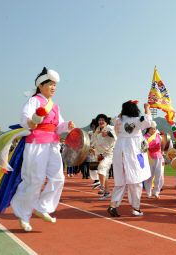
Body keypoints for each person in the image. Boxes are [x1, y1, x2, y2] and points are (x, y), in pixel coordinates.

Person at [10, 67, 75, 231]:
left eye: (55, 85)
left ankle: (42, 207)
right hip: (36, 143)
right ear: (40, 85)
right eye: (50, 84)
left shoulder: (55, 106)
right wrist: (31, 123)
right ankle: (24, 216)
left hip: (53, 144)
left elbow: (58, 126)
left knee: (58, 178)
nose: (53, 88)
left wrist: (67, 126)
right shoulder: (34, 101)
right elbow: (26, 119)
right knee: (34, 180)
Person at [107, 101, 152, 217]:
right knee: (135, 180)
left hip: (119, 150)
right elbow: (148, 121)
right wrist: (147, 108)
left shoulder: (118, 121)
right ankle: (136, 208)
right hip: (132, 151)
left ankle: (113, 205)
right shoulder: (136, 120)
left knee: (120, 181)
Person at [91, 114, 116, 200]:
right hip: (99, 154)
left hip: (109, 153)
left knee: (101, 168)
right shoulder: (97, 130)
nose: (101, 122)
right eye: (99, 120)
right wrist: (91, 147)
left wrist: (108, 133)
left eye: (103, 120)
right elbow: (93, 141)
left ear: (106, 122)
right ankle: (107, 193)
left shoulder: (110, 128)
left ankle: (101, 186)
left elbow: (117, 137)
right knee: (104, 174)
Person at [144, 121, 164, 199]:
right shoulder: (144, 137)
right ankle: (148, 192)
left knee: (159, 175)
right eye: (152, 129)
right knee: (149, 176)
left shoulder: (159, 136)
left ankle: (156, 191)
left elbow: (163, 145)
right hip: (149, 157)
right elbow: (144, 147)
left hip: (159, 157)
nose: (153, 131)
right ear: (148, 129)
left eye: (154, 129)